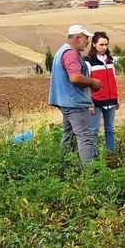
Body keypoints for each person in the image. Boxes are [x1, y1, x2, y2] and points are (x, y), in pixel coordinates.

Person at [48, 24, 102, 166]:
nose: (88, 42)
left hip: (65, 102)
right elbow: (75, 77)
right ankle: (91, 174)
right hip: (74, 102)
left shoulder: (61, 51)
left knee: (68, 135)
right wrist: (92, 82)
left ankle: (64, 167)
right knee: (85, 137)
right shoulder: (71, 54)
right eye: (86, 38)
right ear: (77, 38)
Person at [84, 31, 119, 154]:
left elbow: (113, 79)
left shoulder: (110, 60)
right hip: (96, 101)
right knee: (93, 130)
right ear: (94, 44)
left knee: (110, 129)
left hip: (110, 100)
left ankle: (111, 154)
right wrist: (89, 102)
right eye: (101, 45)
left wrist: (116, 98)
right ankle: (93, 156)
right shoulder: (88, 61)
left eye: (106, 45)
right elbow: (86, 83)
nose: (104, 48)